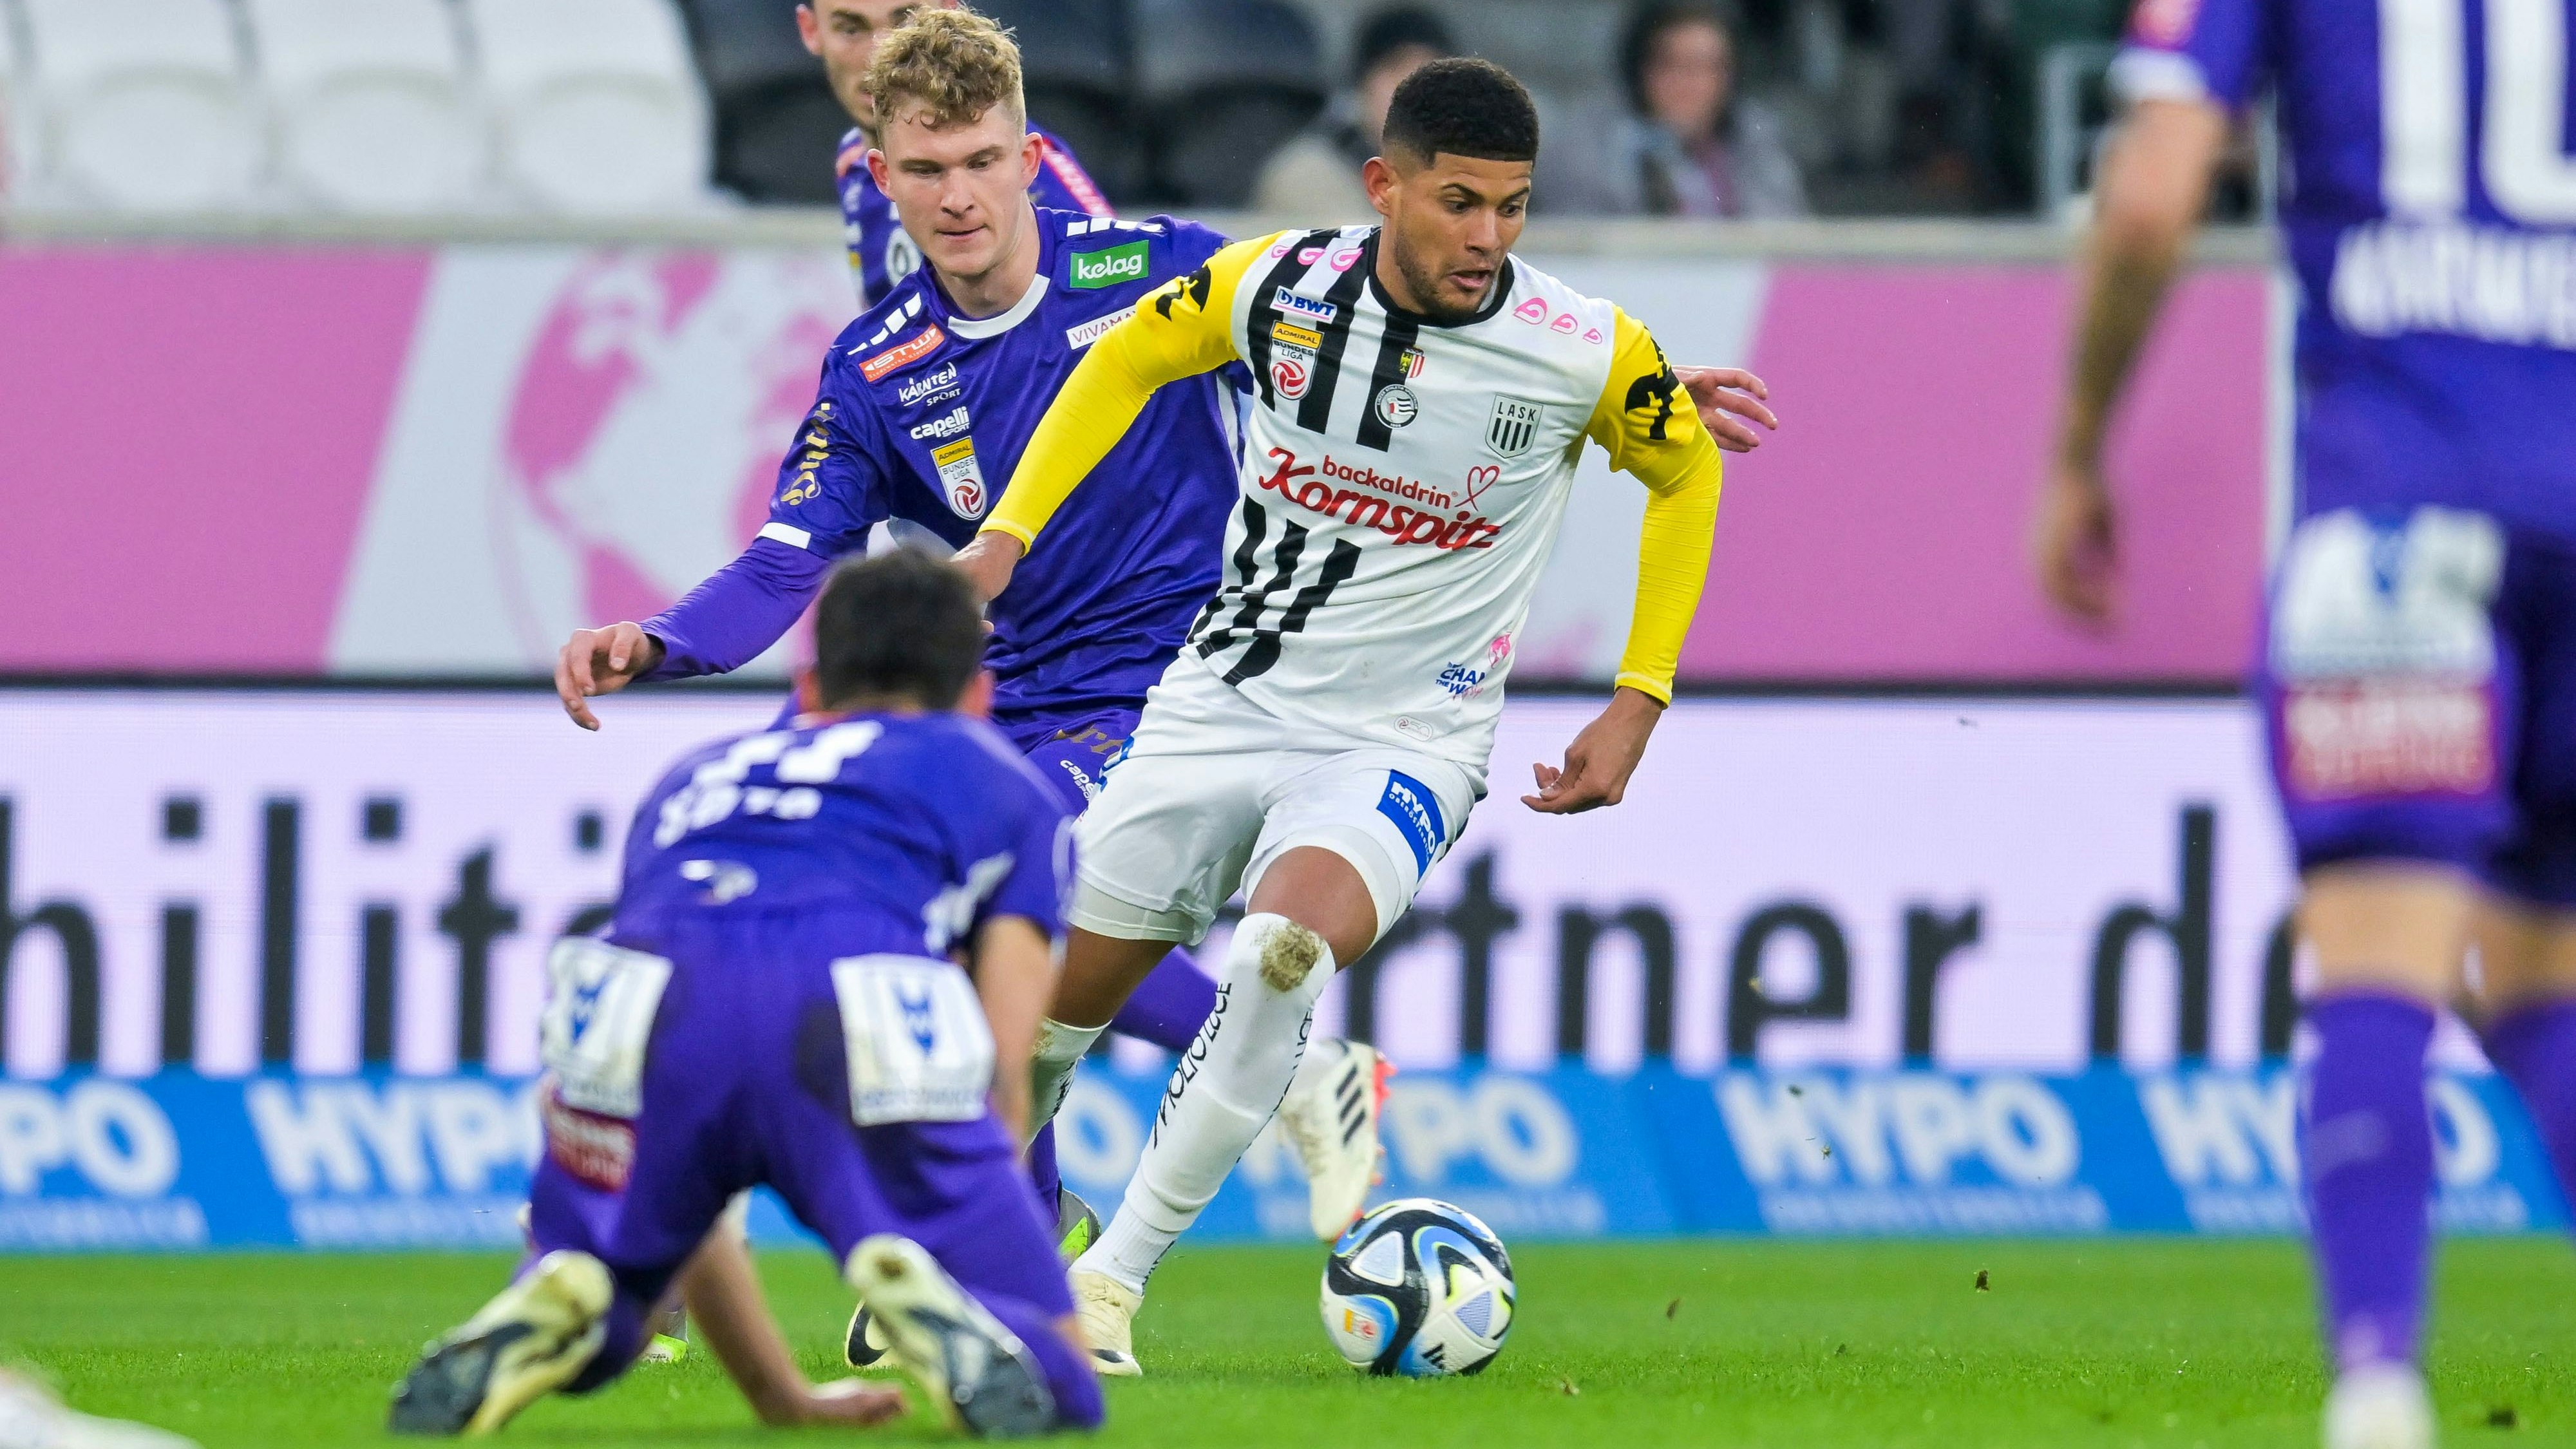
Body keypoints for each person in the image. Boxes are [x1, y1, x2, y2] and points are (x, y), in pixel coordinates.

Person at [554, 6, 1396, 1273]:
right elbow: (791, 555)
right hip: (1006, 704)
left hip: (1181, 689)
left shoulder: (1150, 270)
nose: (957, 197)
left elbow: (1339, 355)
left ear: (1025, 154)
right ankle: (1032, 1237)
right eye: (927, 171)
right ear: (877, 175)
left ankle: (1291, 1065)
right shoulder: (877, 365)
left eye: (981, 162)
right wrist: (660, 643)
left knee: (1000, 890)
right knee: (936, 937)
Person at [954, 57, 1733, 1376]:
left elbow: (1684, 467)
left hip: (1400, 742)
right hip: (1215, 709)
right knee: (1037, 1026)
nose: (1488, 238)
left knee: (1278, 955)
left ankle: (1107, 1288)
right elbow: (1127, 354)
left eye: (1513, 208)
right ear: (1383, 188)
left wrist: (1637, 695)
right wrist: (1005, 532)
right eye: (1458, 204)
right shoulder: (1274, 286)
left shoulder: (1581, 345)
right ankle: (985, 1258)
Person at [2031, 3, 2576, 1446]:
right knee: (2543, 978)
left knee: (2377, 964)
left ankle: (2379, 1388)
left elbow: (2149, 194)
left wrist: (2078, 448)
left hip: (2395, 507)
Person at [388, 551, 1103, 1438]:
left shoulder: (694, 778)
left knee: (616, 1314)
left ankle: (566, 1286)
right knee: (1063, 1388)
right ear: (978, 693)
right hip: (849, 996)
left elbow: (700, 1190)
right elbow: (1009, 1055)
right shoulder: (1006, 784)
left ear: (809, 683)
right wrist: (971, 1223)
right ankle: (946, 1312)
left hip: (636, 1007)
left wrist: (782, 1399)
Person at [800, 0, 1113, 308]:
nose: (878, 56)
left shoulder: (1026, 170)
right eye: (852, 29)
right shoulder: (854, 162)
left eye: (905, 22)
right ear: (811, 30)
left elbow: (1125, 296)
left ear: (950, 10)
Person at [1557, 1, 1807, 218]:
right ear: (1642, 70)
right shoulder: (1590, 144)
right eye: (1674, 64)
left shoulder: (1754, 138)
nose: (1689, 83)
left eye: (1705, 67)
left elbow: (1783, 234)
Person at [1253, 6, 1454, 222]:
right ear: (1362, 86)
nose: (1415, 90)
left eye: (1429, 75)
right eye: (1396, 70)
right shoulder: (1308, 176)